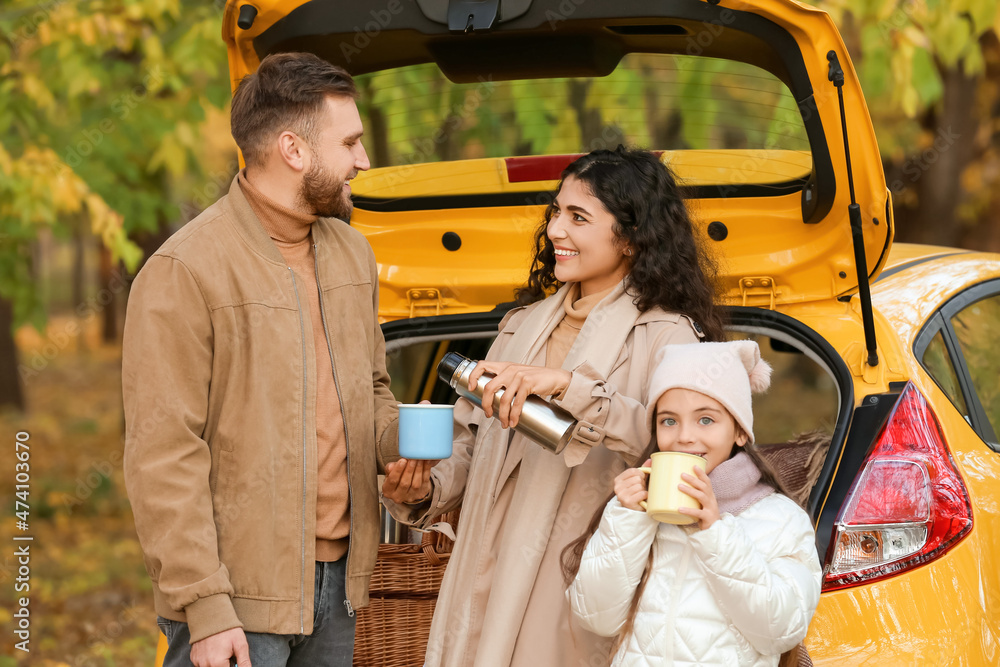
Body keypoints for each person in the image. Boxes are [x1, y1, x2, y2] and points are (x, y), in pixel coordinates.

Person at [381, 147, 726, 666]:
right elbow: (473, 446)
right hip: (482, 570)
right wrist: (424, 488)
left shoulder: (669, 336)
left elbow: (685, 453)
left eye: (578, 217)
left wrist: (573, 389)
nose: (555, 231)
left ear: (631, 238)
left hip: (577, 582)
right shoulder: (520, 326)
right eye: (555, 212)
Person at [122, 52, 399, 667]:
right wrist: (206, 606)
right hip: (237, 604)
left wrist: (410, 446)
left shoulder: (353, 253)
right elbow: (163, 453)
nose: (364, 160)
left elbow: (372, 392)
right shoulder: (185, 270)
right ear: (293, 150)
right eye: (350, 142)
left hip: (344, 592)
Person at [566, 340, 823, 666]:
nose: (684, 436)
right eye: (669, 421)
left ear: (740, 432)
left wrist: (715, 532)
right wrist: (625, 519)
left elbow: (781, 631)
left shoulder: (782, 519)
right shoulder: (638, 513)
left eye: (705, 420)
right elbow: (597, 618)